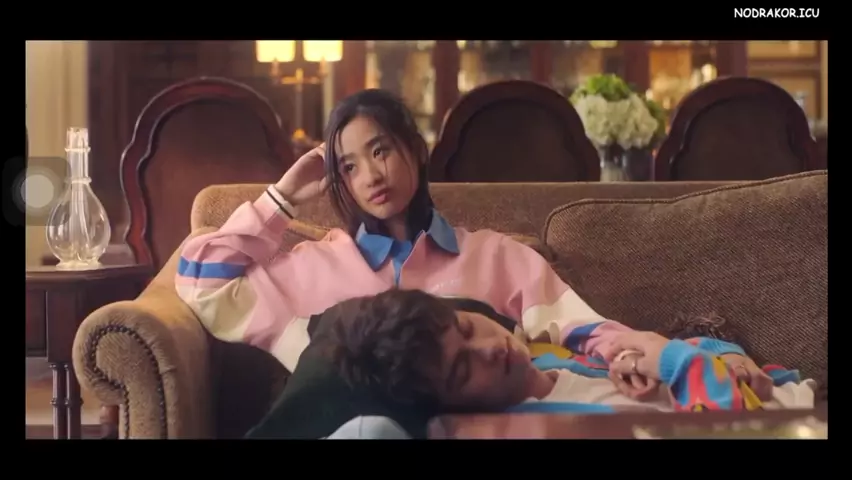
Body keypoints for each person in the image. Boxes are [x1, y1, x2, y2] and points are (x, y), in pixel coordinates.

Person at [174, 88, 768, 416]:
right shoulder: (311, 271)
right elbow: (202, 282)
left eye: (380, 151)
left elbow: (586, 332)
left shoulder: (496, 257)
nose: (371, 176)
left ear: (415, 149)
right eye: (348, 166)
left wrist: (668, 355)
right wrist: (280, 199)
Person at [326, 289, 817, 438]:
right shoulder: (540, 429)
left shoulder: (560, 353)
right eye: (462, 370)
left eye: (468, 329)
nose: (489, 349)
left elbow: (689, 345)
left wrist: (723, 356)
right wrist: (677, 362)